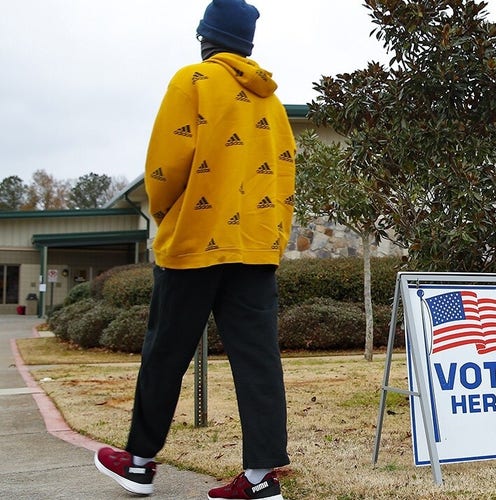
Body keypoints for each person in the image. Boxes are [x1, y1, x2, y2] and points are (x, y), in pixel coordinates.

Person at [94, 1, 296, 499]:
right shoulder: (270, 101)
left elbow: (164, 167)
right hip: (254, 248)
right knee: (259, 359)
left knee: (167, 350)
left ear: (206, 36)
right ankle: (260, 479)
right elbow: (287, 174)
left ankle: (139, 464)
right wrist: (270, 237)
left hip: (196, 242)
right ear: (247, 43)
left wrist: (168, 216)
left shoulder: (193, 81)